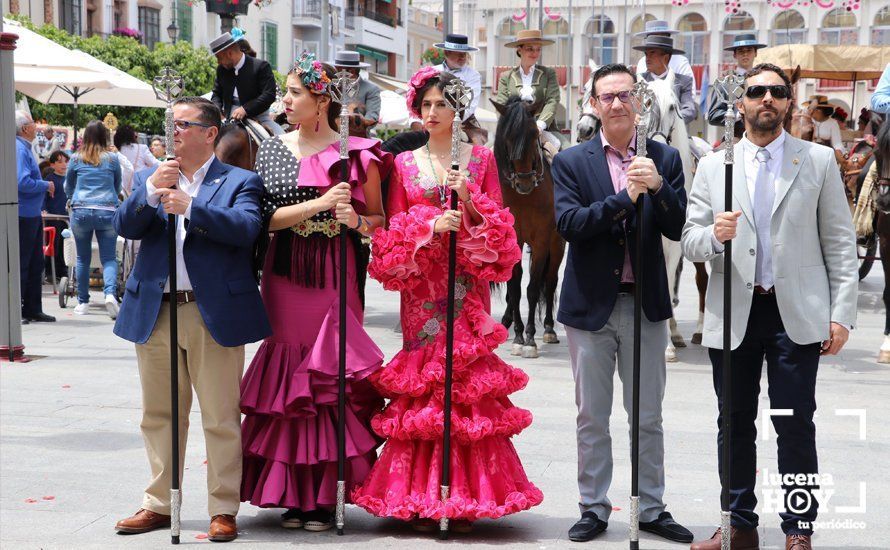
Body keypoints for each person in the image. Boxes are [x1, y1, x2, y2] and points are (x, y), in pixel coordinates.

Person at [352, 66, 542, 531]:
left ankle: (465, 494)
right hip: (422, 286)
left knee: (465, 379)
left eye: (442, 104)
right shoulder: (403, 163)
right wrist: (430, 224)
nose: (433, 112)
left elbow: (502, 226)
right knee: (425, 380)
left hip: (466, 286)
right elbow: (392, 229)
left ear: (458, 110)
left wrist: (470, 203)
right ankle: (420, 495)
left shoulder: (480, 160)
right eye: (427, 104)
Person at [682, 63, 858, 550]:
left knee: (794, 423)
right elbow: (690, 238)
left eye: (776, 92)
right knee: (732, 423)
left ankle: (798, 528)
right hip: (734, 312)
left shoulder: (818, 161)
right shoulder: (716, 165)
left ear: (789, 102)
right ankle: (737, 523)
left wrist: (841, 314)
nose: (766, 99)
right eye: (756, 91)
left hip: (794, 316)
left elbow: (840, 244)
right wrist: (714, 237)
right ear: (741, 104)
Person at [238, 53, 389, 532]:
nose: (284, 100)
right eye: (285, 91)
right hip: (283, 273)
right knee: (287, 373)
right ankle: (292, 493)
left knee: (328, 371)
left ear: (321, 101)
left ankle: (325, 494)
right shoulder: (273, 149)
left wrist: (357, 220)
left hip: (335, 269)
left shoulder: (358, 153)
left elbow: (380, 221)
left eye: (294, 93)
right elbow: (264, 219)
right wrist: (320, 204)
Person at [112, 97, 270, 542]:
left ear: (209, 133)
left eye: (182, 124)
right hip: (155, 309)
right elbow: (125, 226)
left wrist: (192, 207)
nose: (173, 132)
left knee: (220, 415)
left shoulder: (240, 180)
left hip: (210, 310)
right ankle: (160, 502)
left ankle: (223, 507)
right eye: (170, 125)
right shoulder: (149, 177)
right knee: (158, 413)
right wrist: (148, 194)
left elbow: (245, 229)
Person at [551, 63, 693, 544]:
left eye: (624, 95)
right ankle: (594, 507)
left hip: (645, 304)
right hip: (590, 308)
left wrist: (658, 187)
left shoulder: (665, 157)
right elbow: (570, 225)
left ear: (640, 102)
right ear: (593, 104)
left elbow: (678, 226)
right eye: (606, 96)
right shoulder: (571, 161)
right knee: (592, 415)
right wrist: (623, 198)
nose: (616, 103)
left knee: (647, 416)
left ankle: (651, 506)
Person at [64, 121, 122, 319]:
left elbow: (68, 185)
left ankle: (83, 302)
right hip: (107, 210)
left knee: (82, 258)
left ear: (85, 136)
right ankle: (109, 294)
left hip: (81, 210)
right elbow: (117, 185)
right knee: (108, 258)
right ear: (105, 136)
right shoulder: (112, 159)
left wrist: (73, 198)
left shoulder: (75, 158)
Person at [496, 29, 568, 157]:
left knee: (569, 152)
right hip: (513, 129)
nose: (535, 53)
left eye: (538, 49)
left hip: (543, 128)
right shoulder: (505, 77)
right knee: (488, 152)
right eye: (530, 49)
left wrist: (539, 126)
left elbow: (553, 100)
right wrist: (513, 125)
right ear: (519, 49)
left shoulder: (548, 73)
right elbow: (502, 104)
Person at [409, 34, 487, 145]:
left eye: (464, 54)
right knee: (410, 141)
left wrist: (450, 121)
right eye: (459, 54)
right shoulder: (431, 71)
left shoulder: (473, 75)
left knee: (478, 146)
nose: (463, 58)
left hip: (463, 121)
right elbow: (417, 99)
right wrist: (416, 121)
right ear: (447, 53)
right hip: (430, 116)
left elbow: (469, 105)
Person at [15, 110, 56, 323]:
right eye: (33, 123)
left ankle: (32, 307)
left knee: (34, 262)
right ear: (24, 128)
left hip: (30, 214)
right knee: (22, 262)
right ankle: (18, 309)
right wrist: (45, 184)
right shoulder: (19, 149)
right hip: (23, 215)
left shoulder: (24, 148)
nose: (36, 127)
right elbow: (21, 182)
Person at [210, 28, 283, 135]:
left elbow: (269, 94)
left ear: (229, 54)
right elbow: (216, 94)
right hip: (228, 118)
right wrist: (217, 112)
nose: (218, 62)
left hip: (259, 117)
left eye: (219, 58)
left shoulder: (261, 66)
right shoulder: (221, 70)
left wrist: (245, 109)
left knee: (283, 141)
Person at [707, 33, 767, 127]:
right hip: (736, 136)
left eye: (749, 50)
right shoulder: (724, 82)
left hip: (763, 135)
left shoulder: (764, 80)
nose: (745, 54)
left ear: (755, 53)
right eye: (741, 51)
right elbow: (713, 115)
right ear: (735, 54)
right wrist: (738, 116)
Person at [636, 35, 698, 125]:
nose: (647, 58)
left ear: (665, 58)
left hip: (673, 135)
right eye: (646, 54)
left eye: (652, 53)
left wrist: (669, 122)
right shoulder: (638, 80)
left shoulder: (683, 81)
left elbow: (689, 110)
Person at [634, 20, 696, 85]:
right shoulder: (642, 62)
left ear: (667, 37)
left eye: (658, 38)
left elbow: (690, 90)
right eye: (651, 38)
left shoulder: (681, 62)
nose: (654, 41)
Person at [331, 50, 382, 129]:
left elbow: (371, 119)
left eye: (337, 70)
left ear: (351, 71)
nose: (334, 73)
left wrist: (354, 117)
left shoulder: (371, 89)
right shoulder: (332, 85)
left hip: (358, 138)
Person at [42, 150, 70, 282]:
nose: (64, 164)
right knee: (54, 244)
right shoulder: (49, 180)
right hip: (53, 217)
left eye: (65, 161)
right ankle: (50, 272)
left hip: (67, 218)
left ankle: (64, 271)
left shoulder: (70, 179)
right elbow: (43, 197)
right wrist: (44, 209)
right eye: (59, 162)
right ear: (52, 165)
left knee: (66, 245)